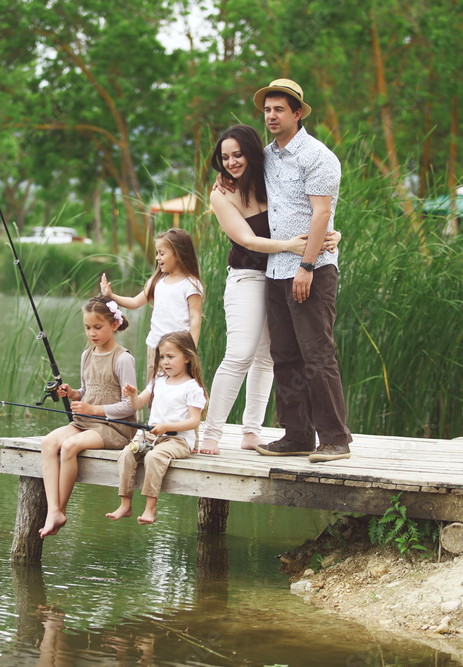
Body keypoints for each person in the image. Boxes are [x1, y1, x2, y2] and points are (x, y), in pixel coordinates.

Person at [202, 124, 340, 456]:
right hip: (247, 277)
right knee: (240, 353)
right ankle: (211, 433)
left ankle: (252, 431)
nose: (232, 163)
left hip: (280, 277)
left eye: (238, 155)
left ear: (252, 152)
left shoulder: (270, 180)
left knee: (268, 357)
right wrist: (292, 247)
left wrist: (331, 237)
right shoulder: (221, 193)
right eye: (225, 158)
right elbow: (247, 240)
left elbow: (310, 213)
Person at [248, 78, 353, 463]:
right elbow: (239, 178)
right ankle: (297, 436)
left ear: (297, 113)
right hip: (276, 270)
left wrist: (307, 265)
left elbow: (322, 212)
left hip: (311, 269)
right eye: (267, 110)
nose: (271, 116)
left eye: (279, 109)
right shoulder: (268, 155)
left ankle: (336, 439)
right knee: (285, 355)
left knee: (317, 354)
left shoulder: (317, 156)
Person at [38, 295, 138, 538]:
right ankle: (53, 511)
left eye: (97, 327)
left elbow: (130, 405)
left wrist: (94, 410)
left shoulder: (123, 359)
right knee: (48, 442)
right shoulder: (87, 355)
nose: (92, 333)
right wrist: (73, 393)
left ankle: (61, 508)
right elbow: (87, 391)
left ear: (114, 325)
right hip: (86, 422)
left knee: (70, 446)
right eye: (87, 328)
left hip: (115, 428)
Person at [106, 331, 207, 525]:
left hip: (178, 439)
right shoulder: (157, 382)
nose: (165, 362)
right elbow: (137, 404)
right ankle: (125, 504)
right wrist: (133, 395)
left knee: (154, 456)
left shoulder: (192, 387)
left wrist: (166, 427)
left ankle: (150, 508)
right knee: (127, 453)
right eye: (162, 357)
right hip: (151, 436)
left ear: (187, 357)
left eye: (171, 356)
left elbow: (194, 421)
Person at [100, 228, 203, 386]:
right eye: (157, 253)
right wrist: (111, 296)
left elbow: (195, 318)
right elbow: (135, 302)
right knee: (153, 393)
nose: (157, 257)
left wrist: (191, 349)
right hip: (155, 348)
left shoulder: (190, 284)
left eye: (162, 253)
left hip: (178, 350)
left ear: (177, 254)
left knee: (176, 392)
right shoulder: (157, 282)